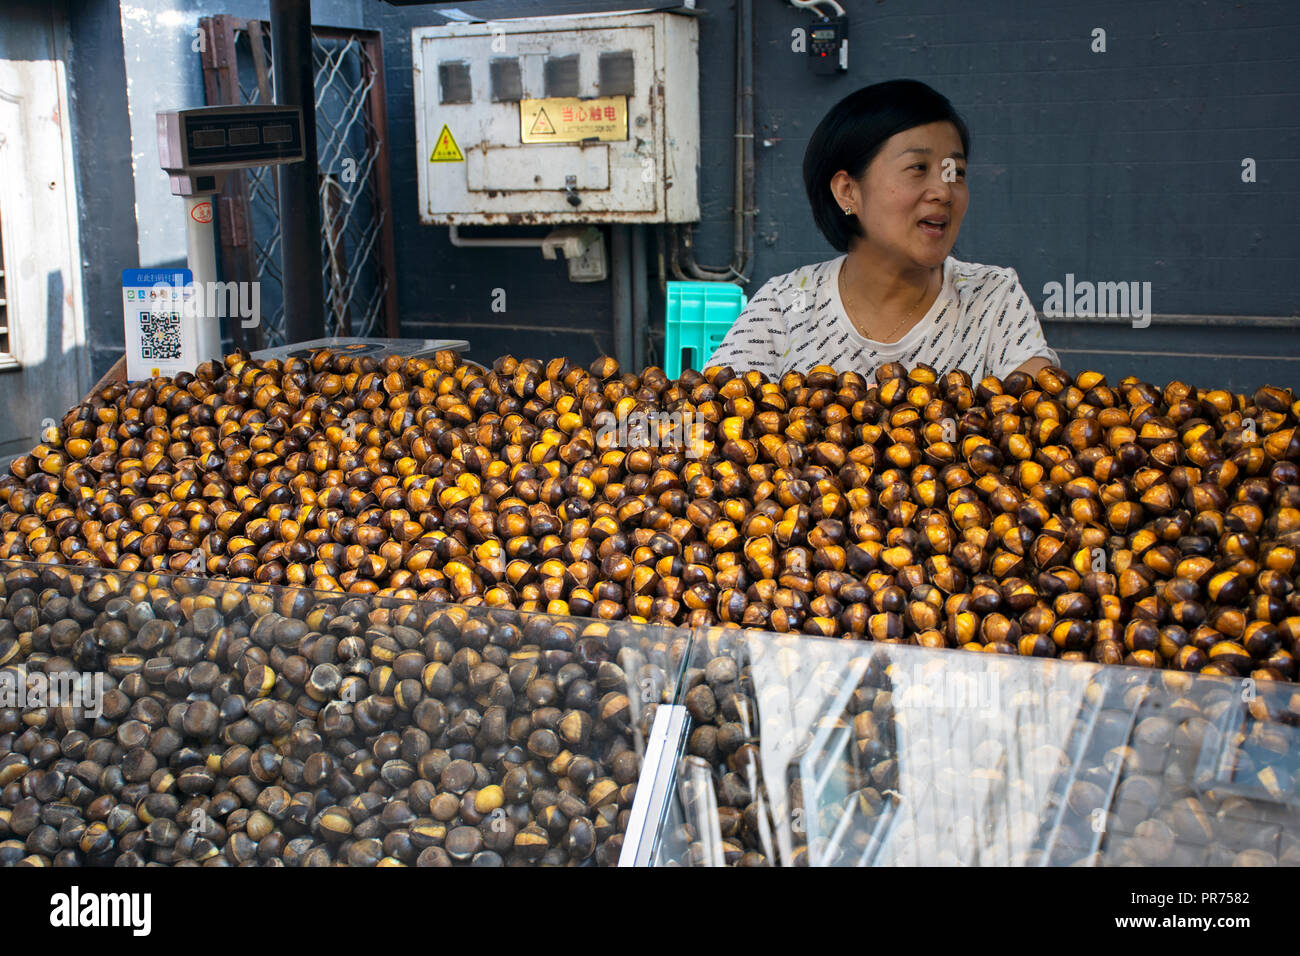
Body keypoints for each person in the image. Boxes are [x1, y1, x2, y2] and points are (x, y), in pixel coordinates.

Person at [706, 79, 1058, 381]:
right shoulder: (784, 306)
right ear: (848, 191)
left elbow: (1041, 409)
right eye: (918, 168)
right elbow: (708, 419)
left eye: (956, 172)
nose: (943, 191)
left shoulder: (991, 298)